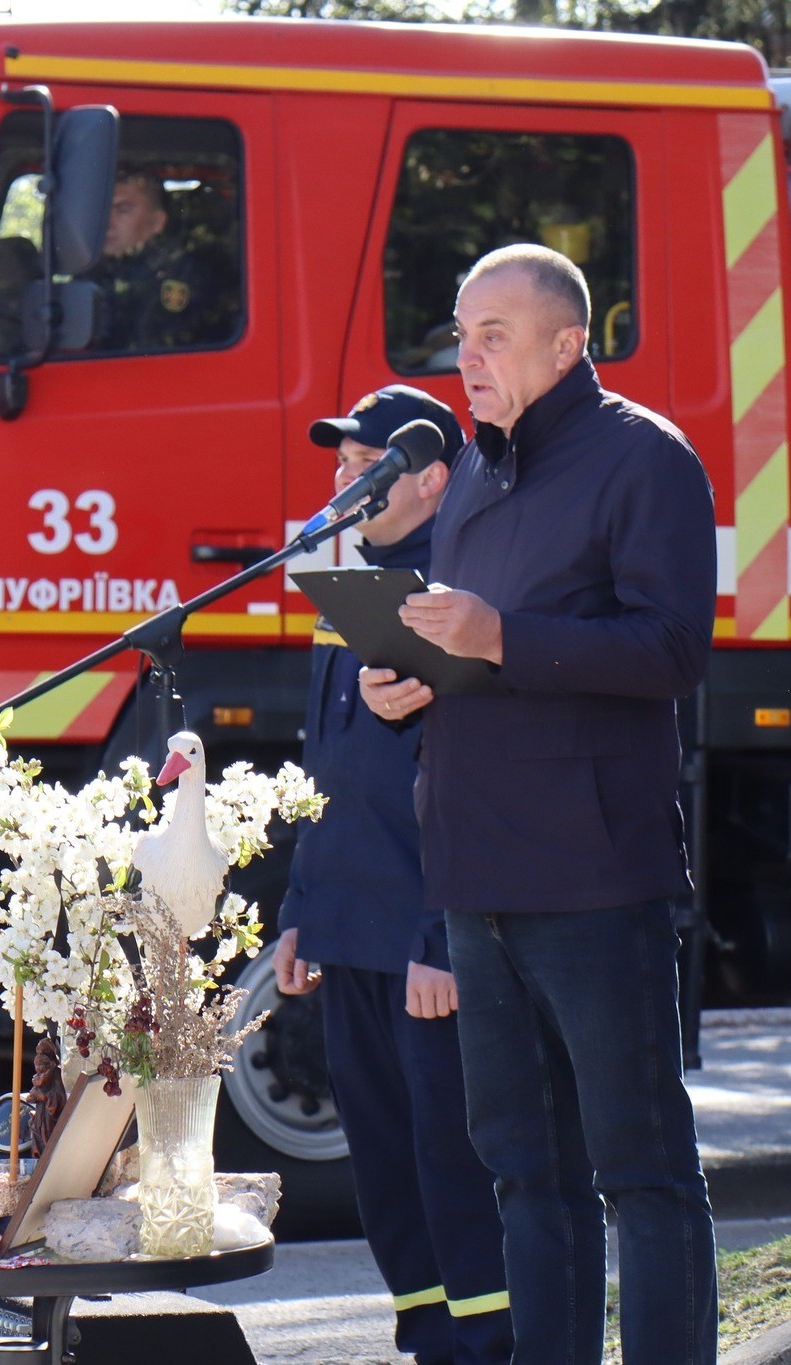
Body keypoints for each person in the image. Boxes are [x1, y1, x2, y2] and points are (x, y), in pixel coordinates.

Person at [359, 244, 718, 1364]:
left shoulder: (643, 460)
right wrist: (403, 687)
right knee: (524, 1176)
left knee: (639, 1175)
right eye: (461, 336)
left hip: (594, 875)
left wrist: (500, 635)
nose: (466, 358)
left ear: (569, 345)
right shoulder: (470, 473)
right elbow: (473, 660)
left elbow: (671, 649)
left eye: (493, 336)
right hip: (476, 874)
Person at [275, 384, 512, 1365]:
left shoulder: (453, 600)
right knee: (382, 1165)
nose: (344, 479)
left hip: (421, 947)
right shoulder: (355, 592)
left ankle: (488, 1346)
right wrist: (300, 911)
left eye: (364, 463)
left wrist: (438, 940)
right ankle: (426, 1338)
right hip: (349, 932)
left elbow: (477, 789)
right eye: (339, 462)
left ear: (429, 479)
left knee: (450, 1165)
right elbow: (329, 772)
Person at [89, 171, 207, 352]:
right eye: (103, 209)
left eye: (123, 210)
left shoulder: (177, 274)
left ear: (157, 222)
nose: (108, 222)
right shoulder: (91, 269)